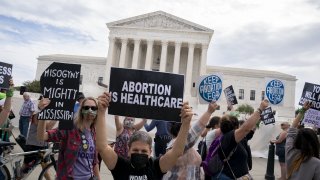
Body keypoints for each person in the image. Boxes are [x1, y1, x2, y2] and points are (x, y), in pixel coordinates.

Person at [96, 92, 193, 180]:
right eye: (135, 150)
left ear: (150, 151)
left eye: (144, 151)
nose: (139, 153)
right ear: (128, 150)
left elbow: (177, 152)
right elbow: (103, 148)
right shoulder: (120, 166)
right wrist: (101, 112)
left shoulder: (156, 166)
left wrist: (186, 123)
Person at [37, 97, 100, 179]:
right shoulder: (69, 127)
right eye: (86, 107)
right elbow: (42, 136)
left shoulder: (94, 132)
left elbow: (94, 162)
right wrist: (43, 113)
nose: (90, 110)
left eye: (93, 108)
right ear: (81, 110)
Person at [212, 99, 269, 179]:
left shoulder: (238, 139)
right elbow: (245, 128)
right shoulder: (228, 138)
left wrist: (258, 120)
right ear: (235, 127)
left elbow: (249, 131)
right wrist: (260, 109)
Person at [162, 101, 219, 180]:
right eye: (189, 125)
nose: (190, 127)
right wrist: (209, 112)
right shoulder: (176, 145)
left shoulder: (186, 146)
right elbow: (196, 131)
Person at [286, 101, 320, 180]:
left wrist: (303, 110)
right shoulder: (316, 163)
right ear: (315, 142)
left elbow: (291, 130)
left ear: (297, 139)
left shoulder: (290, 152)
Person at [21, 112, 57, 178]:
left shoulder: (47, 113)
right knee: (26, 168)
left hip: (42, 144)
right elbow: (47, 127)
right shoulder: (38, 114)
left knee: (45, 167)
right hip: (34, 145)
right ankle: (17, 177)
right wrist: (58, 116)